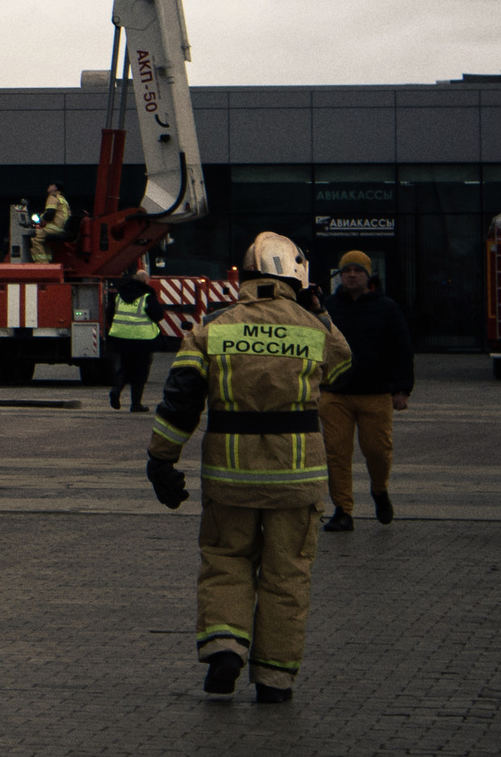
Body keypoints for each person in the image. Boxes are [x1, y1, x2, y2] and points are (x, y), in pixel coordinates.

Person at [145, 231, 351, 705]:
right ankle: (275, 680)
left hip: (229, 477)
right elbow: (344, 370)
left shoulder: (214, 326)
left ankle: (225, 648)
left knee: (225, 562)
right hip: (296, 482)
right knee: (286, 577)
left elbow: (179, 401)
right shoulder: (312, 327)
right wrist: (319, 310)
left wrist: (162, 460)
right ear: (296, 279)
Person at [318, 250, 412, 531]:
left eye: (357, 270)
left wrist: (402, 389)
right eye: (346, 270)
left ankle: (379, 490)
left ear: (367, 275)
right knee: (336, 453)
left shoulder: (386, 308)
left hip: (376, 394)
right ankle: (343, 510)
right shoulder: (328, 308)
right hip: (335, 394)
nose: (351, 275)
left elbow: (402, 350)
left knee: (378, 451)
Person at [105, 265, 164, 411]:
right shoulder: (147, 296)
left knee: (124, 367)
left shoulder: (119, 295)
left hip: (121, 337)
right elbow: (158, 315)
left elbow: (109, 314)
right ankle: (136, 404)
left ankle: (116, 390)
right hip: (142, 339)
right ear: (145, 280)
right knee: (141, 370)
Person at [28, 184, 73, 264]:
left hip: (55, 228)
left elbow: (49, 215)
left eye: (51, 185)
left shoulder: (53, 197)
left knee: (36, 237)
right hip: (62, 228)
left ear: (55, 187)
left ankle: (42, 263)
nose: (48, 186)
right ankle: (48, 261)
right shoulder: (63, 199)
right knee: (45, 240)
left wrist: (40, 219)